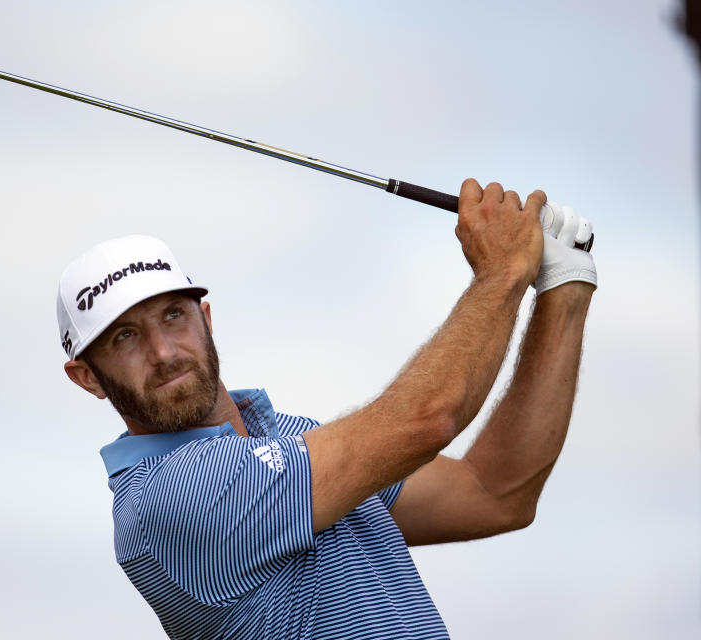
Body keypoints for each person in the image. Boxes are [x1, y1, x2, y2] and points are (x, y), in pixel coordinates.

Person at [57, 179, 597, 639]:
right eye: (125, 337)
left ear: (206, 318)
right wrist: (502, 275)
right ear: (88, 378)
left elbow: (494, 493)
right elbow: (426, 419)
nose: (163, 352)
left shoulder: (287, 438)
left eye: (173, 316)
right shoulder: (168, 499)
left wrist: (562, 287)